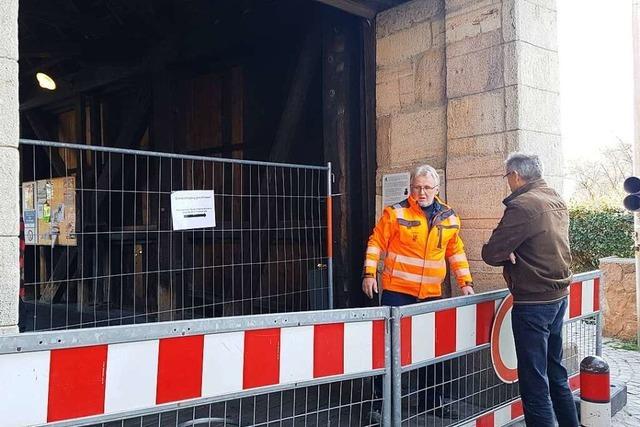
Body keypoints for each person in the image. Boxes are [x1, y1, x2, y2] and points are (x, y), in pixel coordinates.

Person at [363, 164, 474, 421]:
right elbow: (375, 242)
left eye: (426, 188)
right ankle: (381, 405)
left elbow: (455, 252)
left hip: (431, 295)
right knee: (389, 351)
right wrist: (369, 274)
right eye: (416, 187)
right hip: (397, 293)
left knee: (433, 350)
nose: (421, 192)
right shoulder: (395, 213)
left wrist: (465, 282)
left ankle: (431, 402)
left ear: (436, 189)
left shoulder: (449, 217)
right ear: (410, 187)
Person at [481, 153, 579, 427]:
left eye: (507, 177)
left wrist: (507, 252)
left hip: (533, 302)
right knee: (556, 372)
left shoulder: (523, 205)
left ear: (515, 175)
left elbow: (491, 252)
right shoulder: (554, 197)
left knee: (534, 383)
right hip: (558, 296)